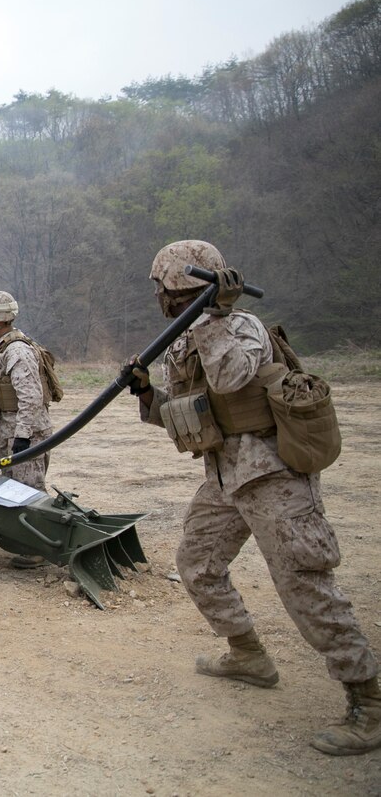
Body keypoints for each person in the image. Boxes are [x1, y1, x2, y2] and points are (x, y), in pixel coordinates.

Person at [122, 239, 380, 756]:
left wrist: (214, 316)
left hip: (273, 473)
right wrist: (147, 393)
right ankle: (247, 655)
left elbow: (232, 376)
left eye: (165, 288)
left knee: (304, 582)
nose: (161, 297)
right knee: (197, 563)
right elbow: (183, 407)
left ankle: (369, 703)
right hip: (224, 474)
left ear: (181, 289)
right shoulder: (184, 337)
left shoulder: (239, 327)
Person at [0, 290, 53, 491]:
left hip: (27, 433)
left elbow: (31, 396)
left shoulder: (17, 350)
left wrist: (24, 434)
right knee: (12, 492)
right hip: (9, 430)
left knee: (30, 491)